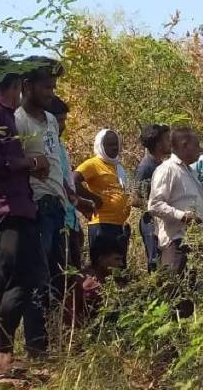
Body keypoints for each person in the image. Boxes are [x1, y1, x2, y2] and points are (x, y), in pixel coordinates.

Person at [0, 57, 51, 380]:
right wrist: (29, 164)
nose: (20, 93)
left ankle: (0, 356)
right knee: (21, 279)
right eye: (18, 86)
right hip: (6, 209)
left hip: (19, 207)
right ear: (12, 86)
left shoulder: (3, 115)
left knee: (25, 279)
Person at [14, 56, 67, 352]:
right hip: (36, 206)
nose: (51, 93)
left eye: (54, 87)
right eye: (47, 87)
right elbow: (8, 164)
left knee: (54, 278)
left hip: (57, 206)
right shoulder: (16, 120)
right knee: (35, 277)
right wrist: (33, 164)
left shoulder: (49, 120)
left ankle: (47, 341)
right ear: (27, 85)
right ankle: (35, 346)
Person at [148, 126, 203, 316]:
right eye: (196, 144)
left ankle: (183, 341)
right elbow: (154, 204)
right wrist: (182, 216)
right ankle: (170, 344)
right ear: (184, 145)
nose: (200, 149)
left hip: (192, 244)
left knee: (187, 300)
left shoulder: (187, 171)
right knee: (175, 297)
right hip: (177, 244)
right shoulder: (167, 169)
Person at [46, 97, 93, 284]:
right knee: (61, 275)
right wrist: (78, 201)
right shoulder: (46, 146)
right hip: (58, 220)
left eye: (64, 120)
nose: (62, 126)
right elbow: (56, 179)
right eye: (58, 121)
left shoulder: (60, 145)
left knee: (74, 273)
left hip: (70, 219)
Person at [74, 129, 132, 266]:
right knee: (103, 269)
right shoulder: (93, 164)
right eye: (110, 144)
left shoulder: (117, 166)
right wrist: (92, 198)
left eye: (116, 144)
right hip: (102, 225)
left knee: (119, 270)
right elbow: (73, 180)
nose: (114, 148)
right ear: (100, 146)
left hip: (118, 226)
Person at [67, 233, 125, 327]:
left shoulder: (106, 277)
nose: (121, 264)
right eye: (117, 259)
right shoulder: (90, 283)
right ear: (101, 259)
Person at [136, 124, 171, 272]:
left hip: (161, 222)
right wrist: (156, 208)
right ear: (158, 144)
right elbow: (134, 198)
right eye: (167, 139)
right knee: (155, 264)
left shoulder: (161, 164)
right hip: (150, 223)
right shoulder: (146, 166)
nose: (171, 142)